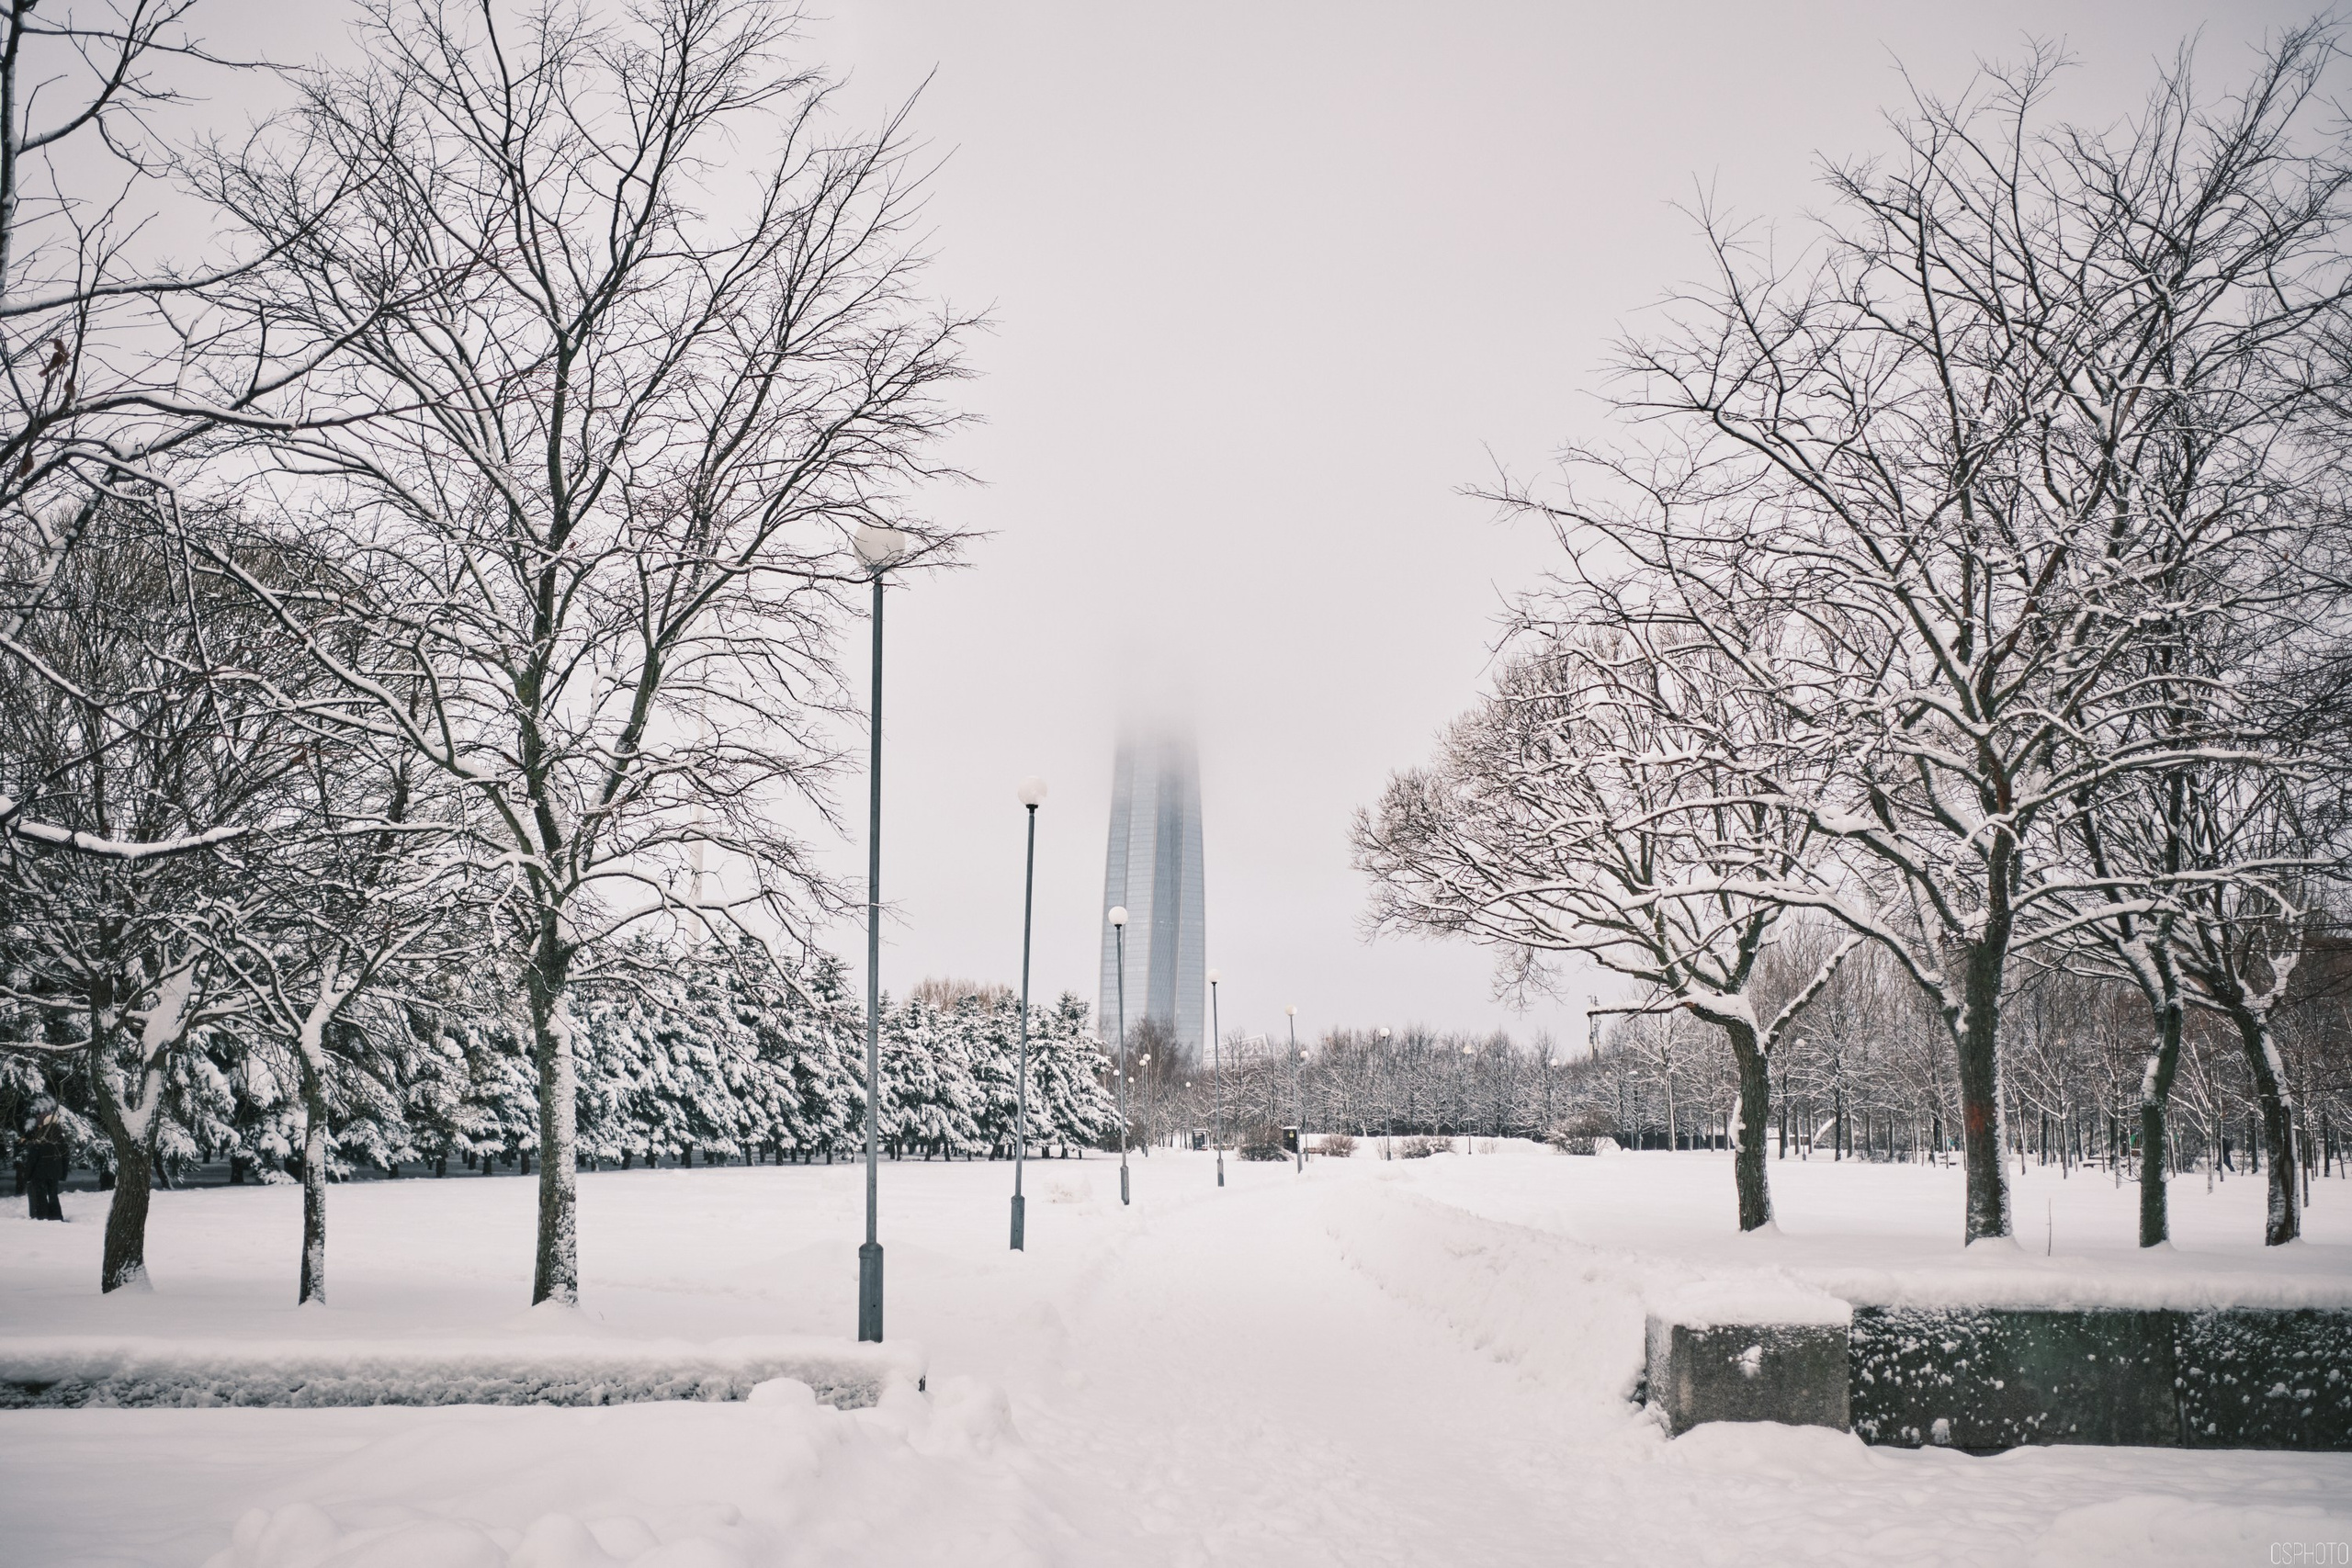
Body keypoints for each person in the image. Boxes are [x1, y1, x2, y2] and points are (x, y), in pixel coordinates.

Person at [23, 1103, 67, 1222]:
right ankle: (56, 1216)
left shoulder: (40, 1138)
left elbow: (32, 1159)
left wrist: (27, 1175)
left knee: (40, 1196)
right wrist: (63, 1174)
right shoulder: (61, 1138)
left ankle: (42, 1217)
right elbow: (65, 1157)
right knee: (53, 1195)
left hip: (39, 1173)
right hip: (55, 1173)